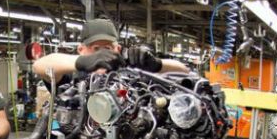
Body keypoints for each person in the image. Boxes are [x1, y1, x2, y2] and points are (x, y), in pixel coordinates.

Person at [33, 18, 189, 84]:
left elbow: (184, 71)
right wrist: (84, 62)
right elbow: (39, 65)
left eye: (107, 48)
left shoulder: (130, 75)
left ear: (118, 49)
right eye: (95, 49)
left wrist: (155, 64)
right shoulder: (71, 79)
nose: (102, 54)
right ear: (81, 50)